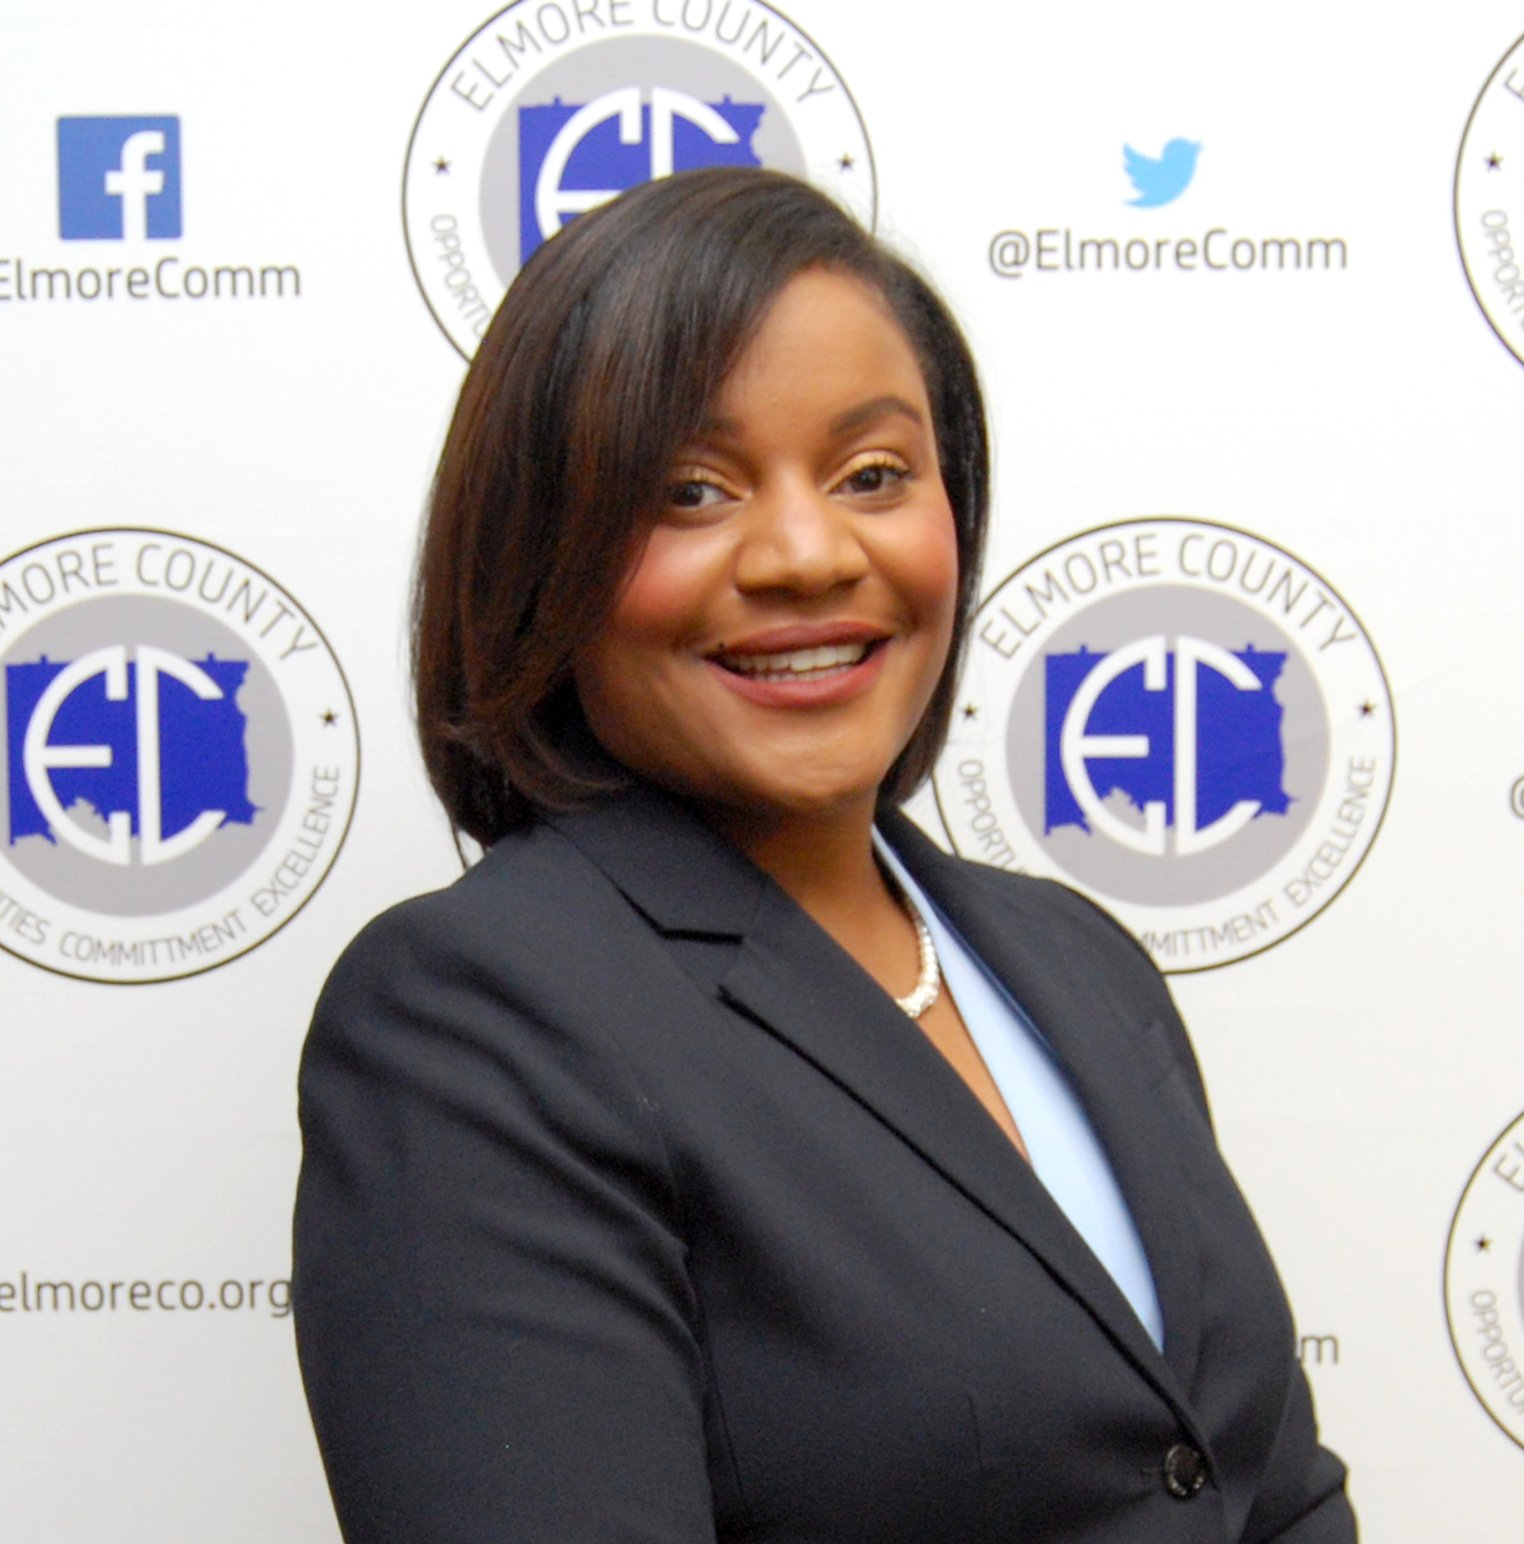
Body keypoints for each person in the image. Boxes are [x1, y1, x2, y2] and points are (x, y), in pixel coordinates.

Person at [293, 166, 1356, 1543]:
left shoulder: (1079, 963)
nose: (806, 553)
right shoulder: (477, 1017)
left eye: (873, 475)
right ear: (543, 557)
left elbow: (1267, 1493)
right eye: (690, 490)